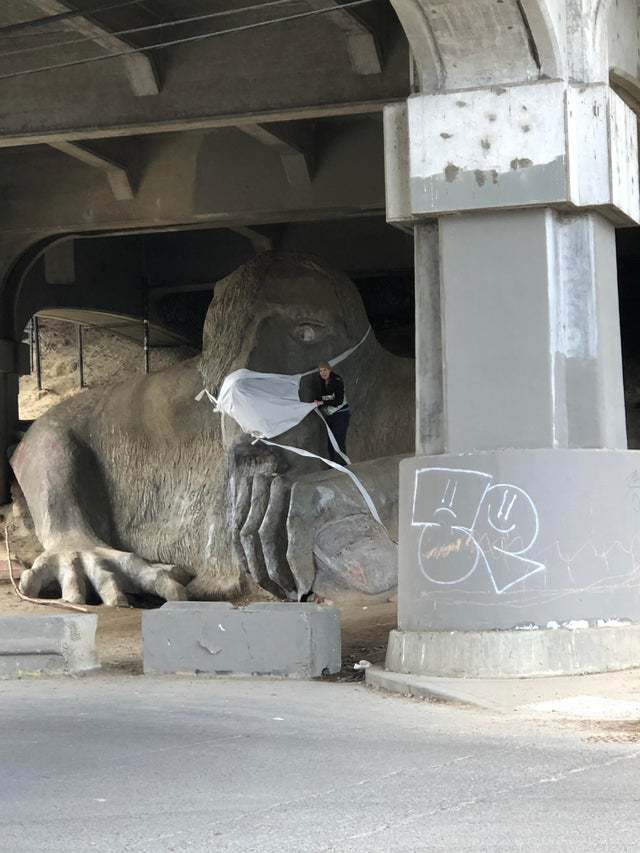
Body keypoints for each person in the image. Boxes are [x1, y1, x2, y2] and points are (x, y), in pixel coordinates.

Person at [313, 361, 351, 463]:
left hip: (341, 414)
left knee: (338, 442)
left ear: (329, 370)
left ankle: (342, 467)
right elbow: (318, 397)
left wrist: (322, 402)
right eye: (321, 371)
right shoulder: (320, 382)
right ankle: (333, 467)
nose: (323, 373)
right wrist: (317, 402)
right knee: (331, 443)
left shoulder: (337, 380)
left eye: (325, 370)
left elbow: (338, 401)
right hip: (330, 415)